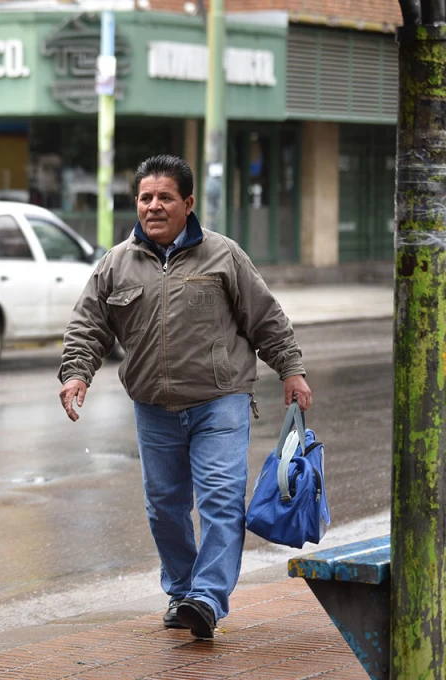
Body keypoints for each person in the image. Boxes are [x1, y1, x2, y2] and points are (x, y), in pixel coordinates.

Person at [57, 155, 313, 641]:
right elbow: (88, 326)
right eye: (145, 197)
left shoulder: (223, 255)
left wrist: (291, 369)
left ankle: (209, 599)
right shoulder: (116, 263)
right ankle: (182, 591)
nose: (153, 206)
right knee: (165, 508)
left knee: (220, 499)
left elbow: (266, 318)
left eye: (165, 197)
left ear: (188, 203)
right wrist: (77, 375)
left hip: (221, 401)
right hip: (154, 409)